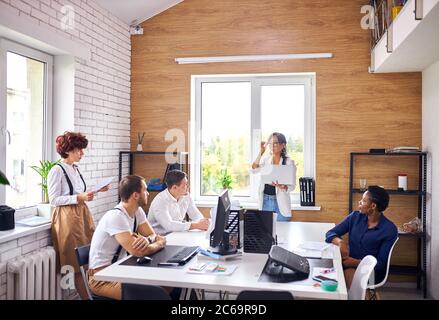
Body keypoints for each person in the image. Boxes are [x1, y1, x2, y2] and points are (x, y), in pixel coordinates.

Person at [48, 131, 109, 300]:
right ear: (67, 150)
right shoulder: (57, 170)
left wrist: (95, 191)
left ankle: (96, 294)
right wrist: (79, 197)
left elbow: (78, 194)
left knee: (90, 256)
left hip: (82, 214)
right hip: (67, 218)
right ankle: (86, 298)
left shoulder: (74, 168)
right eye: (79, 150)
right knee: (75, 263)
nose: (82, 153)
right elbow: (53, 199)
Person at [88, 175, 166, 300]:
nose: (148, 193)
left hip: (121, 269)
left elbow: (152, 235)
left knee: (166, 285)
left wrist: (149, 239)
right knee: (155, 294)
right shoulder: (116, 216)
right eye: (145, 190)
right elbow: (139, 251)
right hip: (102, 278)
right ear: (136, 195)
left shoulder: (137, 211)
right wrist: (160, 243)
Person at [325, 185, 398, 289]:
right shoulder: (355, 217)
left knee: (347, 275)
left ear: (373, 206)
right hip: (347, 264)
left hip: (370, 272)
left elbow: (380, 266)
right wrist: (341, 243)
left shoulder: (389, 230)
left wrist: (355, 262)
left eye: (363, 201)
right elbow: (330, 233)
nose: (359, 202)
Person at [148, 169, 210, 235]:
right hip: (160, 237)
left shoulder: (186, 196)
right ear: (174, 187)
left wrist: (202, 223)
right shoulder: (160, 201)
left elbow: (195, 214)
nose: (188, 187)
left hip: (177, 233)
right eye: (185, 185)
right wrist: (196, 225)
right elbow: (169, 225)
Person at [251, 132, 296, 221]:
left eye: (275, 143)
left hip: (281, 203)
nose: (272, 145)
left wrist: (284, 187)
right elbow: (254, 170)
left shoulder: (289, 162)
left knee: (283, 232)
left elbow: (293, 186)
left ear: (283, 145)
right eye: (270, 143)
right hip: (266, 201)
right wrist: (261, 152)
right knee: (267, 233)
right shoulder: (266, 160)